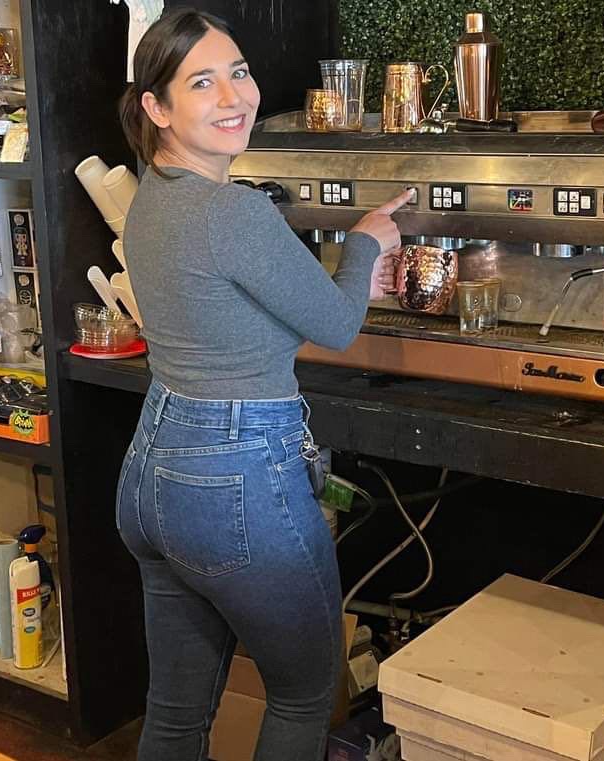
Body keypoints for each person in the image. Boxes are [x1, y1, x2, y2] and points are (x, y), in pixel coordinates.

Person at [116, 8, 411, 761]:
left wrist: (339, 272)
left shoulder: (153, 195)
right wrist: (365, 243)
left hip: (153, 469)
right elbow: (337, 325)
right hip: (236, 475)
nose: (234, 97)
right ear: (156, 107)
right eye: (202, 82)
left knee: (176, 714)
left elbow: (232, 311)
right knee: (304, 695)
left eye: (240, 73)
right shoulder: (234, 210)